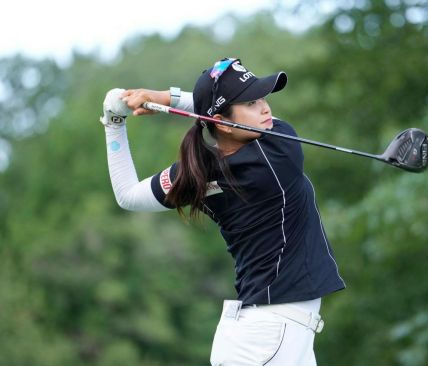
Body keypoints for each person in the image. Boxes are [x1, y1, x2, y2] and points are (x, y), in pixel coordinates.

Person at [100, 58, 345, 366]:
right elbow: (210, 113)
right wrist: (166, 97)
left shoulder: (197, 171)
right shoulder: (278, 154)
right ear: (225, 123)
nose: (266, 109)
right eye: (252, 102)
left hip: (266, 334)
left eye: (263, 98)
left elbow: (127, 195)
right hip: (271, 336)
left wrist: (114, 123)